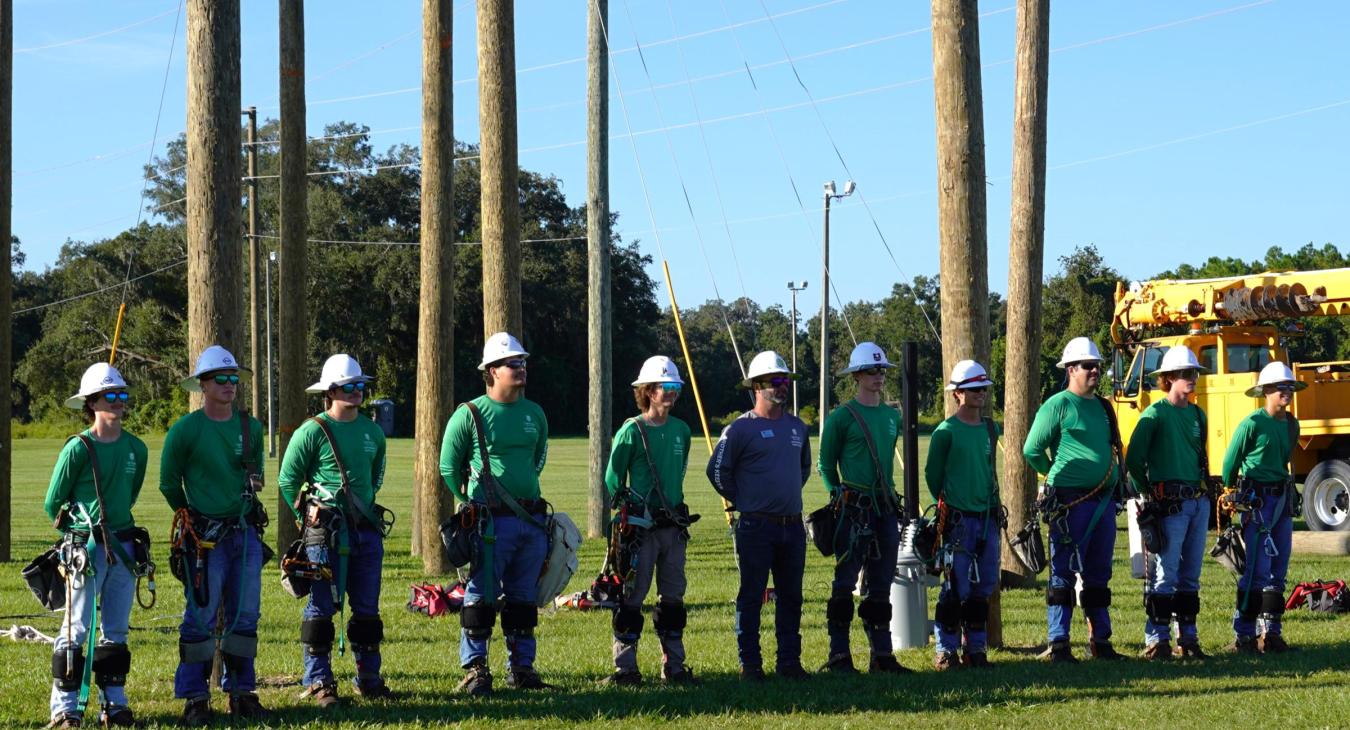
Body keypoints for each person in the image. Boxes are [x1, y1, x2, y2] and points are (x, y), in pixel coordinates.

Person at [160, 346, 269, 726]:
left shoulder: (250, 428)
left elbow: (256, 479)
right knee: (201, 616)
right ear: (202, 385)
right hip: (204, 540)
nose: (229, 385)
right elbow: (168, 483)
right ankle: (195, 697)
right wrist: (189, 514)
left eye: (233, 379)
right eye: (220, 379)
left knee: (245, 614)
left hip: (244, 533)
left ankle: (242, 692)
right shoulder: (185, 430)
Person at [440, 332, 552, 696]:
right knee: (480, 596)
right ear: (491, 371)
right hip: (489, 524)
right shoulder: (469, 414)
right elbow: (448, 467)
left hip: (531, 522)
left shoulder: (535, 412)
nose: (520, 368)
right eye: (512, 364)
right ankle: (475, 670)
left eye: (522, 363)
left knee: (523, 600)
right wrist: (469, 505)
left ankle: (521, 669)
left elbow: (538, 459)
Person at [278, 354, 392, 707]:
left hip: (365, 531)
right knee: (320, 608)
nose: (356, 392)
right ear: (330, 391)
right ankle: (318, 679)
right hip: (324, 535)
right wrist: (306, 518)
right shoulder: (311, 431)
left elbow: (375, 478)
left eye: (360, 385)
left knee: (367, 608)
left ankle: (369, 677)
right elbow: (288, 480)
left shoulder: (373, 432)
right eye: (348, 387)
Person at [44, 363, 149, 729]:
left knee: (116, 630)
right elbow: (52, 502)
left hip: (123, 548)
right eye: (111, 397)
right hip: (85, 551)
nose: (119, 403)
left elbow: (128, 498)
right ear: (92, 403)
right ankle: (66, 707)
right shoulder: (78, 448)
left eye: (122, 396)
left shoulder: (137, 447)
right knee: (76, 629)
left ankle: (114, 702)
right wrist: (79, 531)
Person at [707, 351, 812, 682]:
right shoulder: (739, 429)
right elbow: (717, 472)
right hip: (755, 526)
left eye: (785, 381)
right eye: (775, 382)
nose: (782, 387)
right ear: (756, 386)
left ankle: (789, 662)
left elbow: (803, 469)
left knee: (791, 597)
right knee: (752, 596)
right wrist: (744, 500)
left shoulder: (798, 427)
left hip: (792, 527)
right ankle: (750, 665)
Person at [1023, 337, 1125, 662]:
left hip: (1103, 503)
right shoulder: (1058, 405)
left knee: (1099, 573)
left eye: (1096, 365)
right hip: (1069, 503)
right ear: (1070, 369)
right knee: (1063, 574)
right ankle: (1059, 642)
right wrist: (1053, 473)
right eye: (1087, 366)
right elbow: (1032, 449)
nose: (1095, 370)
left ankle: (1101, 642)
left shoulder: (1105, 406)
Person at [601, 356, 698, 686]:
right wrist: (628, 515)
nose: (670, 393)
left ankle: (674, 666)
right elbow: (614, 479)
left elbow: (679, 472)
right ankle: (625, 668)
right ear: (647, 391)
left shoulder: (682, 430)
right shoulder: (632, 430)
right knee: (631, 599)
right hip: (640, 531)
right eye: (663, 387)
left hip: (672, 527)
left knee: (673, 599)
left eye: (674, 387)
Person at [816, 342, 911, 675]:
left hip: (885, 507)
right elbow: (825, 465)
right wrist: (836, 494)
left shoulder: (891, 416)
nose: (878, 376)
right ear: (856, 375)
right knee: (844, 582)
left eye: (882, 370)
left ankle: (881, 656)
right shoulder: (841, 417)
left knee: (882, 582)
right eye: (872, 371)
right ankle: (839, 655)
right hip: (853, 508)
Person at [1125, 346, 1212, 661]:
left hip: (1196, 502)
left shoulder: (1197, 415)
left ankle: (1187, 638)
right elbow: (1134, 458)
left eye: (1194, 373)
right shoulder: (1155, 414)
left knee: (1190, 575)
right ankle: (1157, 639)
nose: (1192, 379)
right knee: (1165, 573)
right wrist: (1149, 492)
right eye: (1186, 374)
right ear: (1169, 378)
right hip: (1169, 503)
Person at [1221, 360, 1304, 654]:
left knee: (1278, 570)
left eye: (1290, 386)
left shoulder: (1292, 424)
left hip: (1280, 501)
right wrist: (1232, 492)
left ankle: (1271, 634)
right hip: (1257, 502)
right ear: (1266, 391)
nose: (1287, 392)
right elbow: (1230, 461)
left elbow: (1285, 459)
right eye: (1282, 387)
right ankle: (1244, 635)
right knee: (1256, 569)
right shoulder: (1252, 424)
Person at [925, 360, 1002, 670]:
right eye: (972, 389)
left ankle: (976, 649)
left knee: (983, 587)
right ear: (957, 394)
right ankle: (946, 650)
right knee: (956, 587)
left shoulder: (989, 428)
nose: (980, 394)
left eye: (983, 388)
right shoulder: (946, 431)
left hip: (987, 519)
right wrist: (946, 505)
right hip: (957, 521)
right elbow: (933, 474)